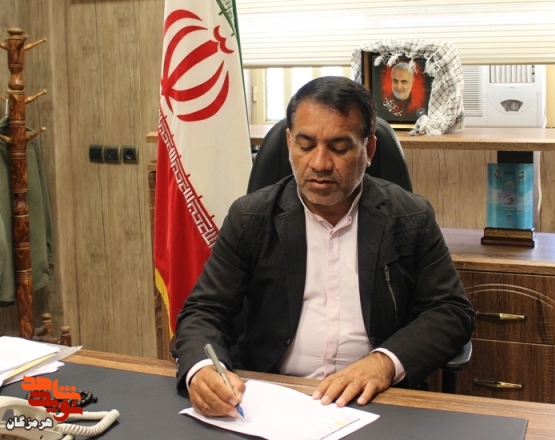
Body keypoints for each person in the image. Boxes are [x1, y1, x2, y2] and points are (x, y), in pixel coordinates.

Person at [175, 76, 474, 418]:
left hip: (374, 401)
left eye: (339, 148)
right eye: (305, 146)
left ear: (369, 150)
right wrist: (202, 369)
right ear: (289, 143)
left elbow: (452, 313)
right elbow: (204, 311)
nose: (319, 163)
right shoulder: (251, 217)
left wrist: (384, 363)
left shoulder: (410, 217)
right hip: (269, 399)